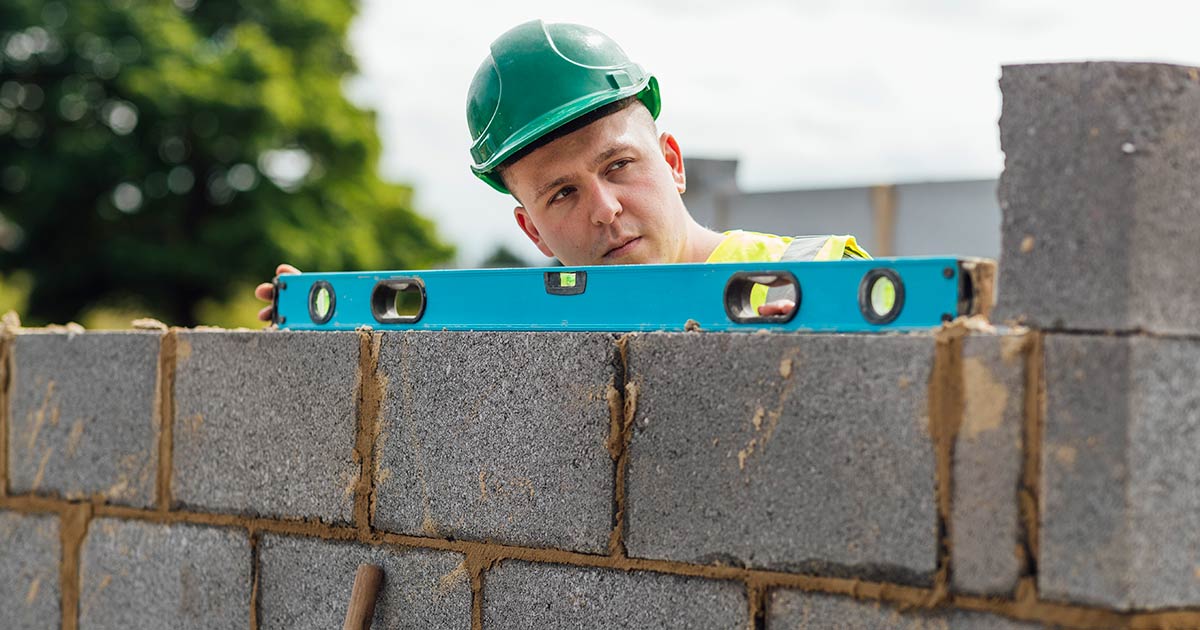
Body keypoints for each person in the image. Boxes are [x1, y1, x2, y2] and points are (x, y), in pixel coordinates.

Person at [256, 20, 867, 321]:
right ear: (533, 231)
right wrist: (326, 322)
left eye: (618, 165)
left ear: (672, 162)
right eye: (562, 194)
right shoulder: (536, 330)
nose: (604, 208)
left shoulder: (820, 277)